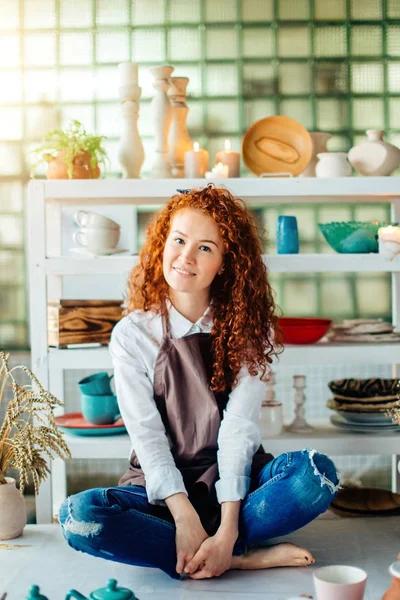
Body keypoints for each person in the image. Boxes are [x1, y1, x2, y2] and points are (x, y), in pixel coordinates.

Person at [59, 185, 340, 580]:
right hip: (161, 489)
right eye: (179, 240)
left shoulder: (249, 332)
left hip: (236, 484)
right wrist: (184, 513)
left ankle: (218, 548)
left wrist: (226, 528)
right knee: (78, 516)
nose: (186, 257)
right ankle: (239, 556)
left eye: (206, 248)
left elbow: (238, 433)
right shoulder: (132, 334)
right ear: (162, 243)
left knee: (316, 475)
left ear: (226, 263)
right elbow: (147, 436)